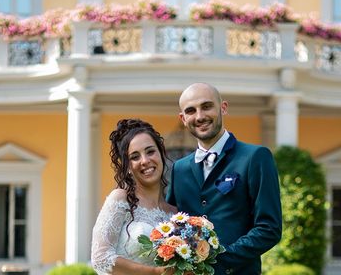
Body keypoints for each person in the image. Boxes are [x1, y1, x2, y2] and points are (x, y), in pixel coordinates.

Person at [166, 83, 282, 275]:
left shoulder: (255, 157)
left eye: (206, 106)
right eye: (191, 111)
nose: (200, 116)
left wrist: (217, 262)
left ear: (223, 108)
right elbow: (172, 222)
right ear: (183, 118)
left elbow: (269, 228)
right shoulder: (180, 168)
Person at [91, 119, 177, 275]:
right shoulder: (120, 199)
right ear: (128, 166)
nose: (145, 161)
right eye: (135, 157)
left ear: (161, 153)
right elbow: (100, 258)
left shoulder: (175, 214)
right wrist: (155, 272)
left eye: (150, 151)